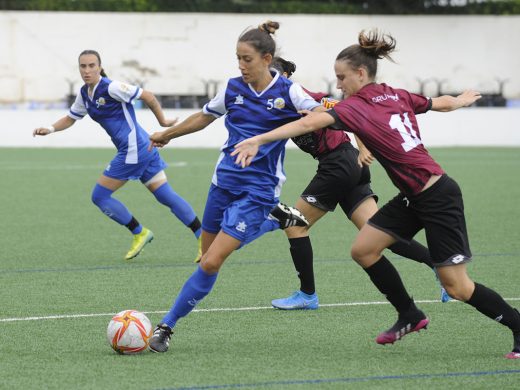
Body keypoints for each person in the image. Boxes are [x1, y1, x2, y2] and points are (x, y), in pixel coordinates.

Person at [232, 30, 520, 359]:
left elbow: (308, 125)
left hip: (438, 196)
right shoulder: (394, 94)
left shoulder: (357, 106)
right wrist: (460, 100)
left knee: (457, 286)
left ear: (360, 73)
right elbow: (436, 103)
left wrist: (260, 139)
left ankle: (518, 326)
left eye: (341, 78)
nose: (338, 85)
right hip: (414, 195)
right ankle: (410, 314)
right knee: (364, 249)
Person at [145, 21, 319, 353]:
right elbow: (204, 116)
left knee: (213, 262)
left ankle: (165, 327)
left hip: (258, 191)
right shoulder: (232, 88)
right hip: (222, 183)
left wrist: (271, 136)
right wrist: (168, 134)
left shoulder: (289, 92)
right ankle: (275, 221)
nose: (241, 65)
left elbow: (319, 117)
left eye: (247, 59)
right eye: (237, 58)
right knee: (206, 258)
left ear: (267, 58)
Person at [268, 57, 450, 310]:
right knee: (379, 233)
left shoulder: (304, 94)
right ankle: (440, 265)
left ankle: (307, 295)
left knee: (295, 225)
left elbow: (348, 109)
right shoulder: (271, 104)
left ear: (286, 75)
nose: (271, 80)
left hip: (339, 165)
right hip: (348, 165)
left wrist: (361, 145)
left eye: (276, 74)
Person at [33, 50, 202, 261]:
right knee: (165, 195)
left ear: (99, 67)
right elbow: (70, 118)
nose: (87, 70)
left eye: (91, 65)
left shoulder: (111, 87)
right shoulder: (85, 93)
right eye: (83, 66)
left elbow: (147, 95)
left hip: (134, 150)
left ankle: (139, 232)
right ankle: (203, 236)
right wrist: (49, 129)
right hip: (145, 146)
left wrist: (163, 122)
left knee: (99, 196)